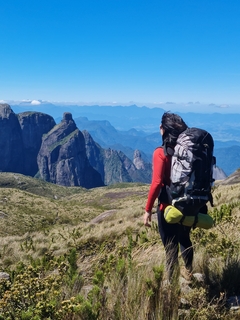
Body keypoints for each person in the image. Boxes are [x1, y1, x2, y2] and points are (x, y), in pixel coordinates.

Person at [144, 111, 192, 280]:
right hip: (188, 205)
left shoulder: (160, 153)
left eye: (161, 125)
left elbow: (157, 183)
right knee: (185, 240)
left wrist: (148, 210)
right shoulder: (187, 152)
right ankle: (190, 272)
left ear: (164, 129)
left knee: (170, 247)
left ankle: (171, 285)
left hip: (168, 208)